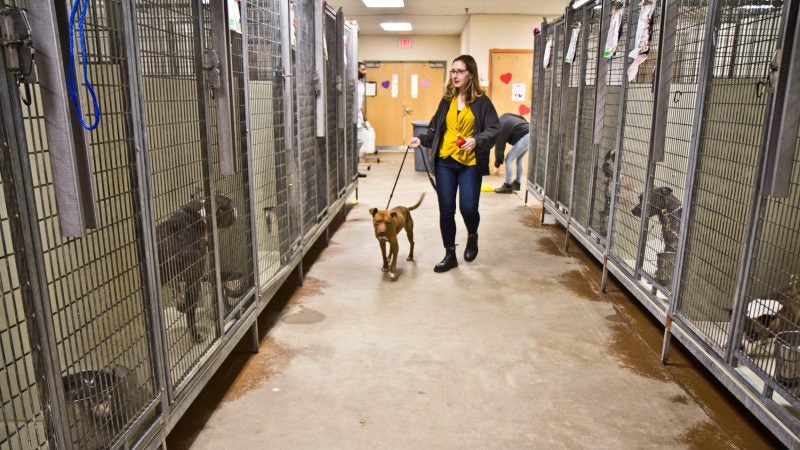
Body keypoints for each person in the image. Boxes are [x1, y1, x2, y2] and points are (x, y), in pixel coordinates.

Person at [408, 54, 500, 273]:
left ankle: (472, 234)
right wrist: (421, 139)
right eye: (453, 71)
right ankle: (450, 254)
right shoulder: (447, 100)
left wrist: (476, 140)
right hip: (445, 162)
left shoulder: (482, 102)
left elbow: (494, 129)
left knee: (468, 208)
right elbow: (435, 129)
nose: (455, 75)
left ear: (471, 74)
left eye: (460, 71)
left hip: (470, 163)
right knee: (446, 210)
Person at [493, 113, 530, 193]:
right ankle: (517, 183)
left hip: (525, 137)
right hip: (530, 131)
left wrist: (497, 165)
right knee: (519, 159)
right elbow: (521, 117)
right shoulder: (505, 115)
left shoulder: (498, 127)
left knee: (508, 159)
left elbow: (499, 147)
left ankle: (507, 185)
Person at [356, 62, 371, 178]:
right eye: (362, 70)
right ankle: (352, 170)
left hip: (358, 118)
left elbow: (360, 103)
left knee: (359, 141)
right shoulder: (352, 83)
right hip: (352, 119)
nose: (364, 72)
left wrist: (365, 118)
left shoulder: (361, 84)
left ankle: (354, 170)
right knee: (356, 143)